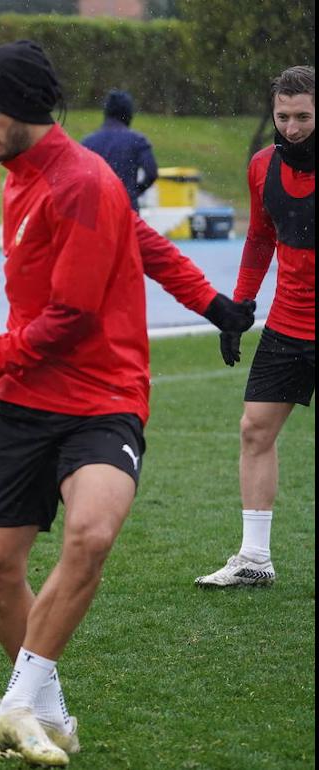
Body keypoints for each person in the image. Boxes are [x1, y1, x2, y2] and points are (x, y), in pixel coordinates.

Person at [0, 41, 256, 766]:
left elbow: (73, 315)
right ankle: (48, 715)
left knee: (90, 534)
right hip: (28, 398)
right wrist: (211, 301)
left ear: (25, 108)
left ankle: (16, 705)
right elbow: (141, 238)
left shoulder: (81, 179)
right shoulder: (18, 174)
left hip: (102, 395)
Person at [196, 65, 315, 588]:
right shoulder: (262, 165)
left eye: (304, 117)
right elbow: (260, 239)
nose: (292, 128)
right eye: (283, 116)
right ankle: (254, 559)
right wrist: (238, 307)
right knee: (254, 431)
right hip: (288, 324)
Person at [81, 90, 158, 211]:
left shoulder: (88, 143)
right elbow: (151, 173)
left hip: (96, 212)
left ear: (106, 113)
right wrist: (135, 191)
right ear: (129, 114)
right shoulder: (137, 141)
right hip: (127, 210)